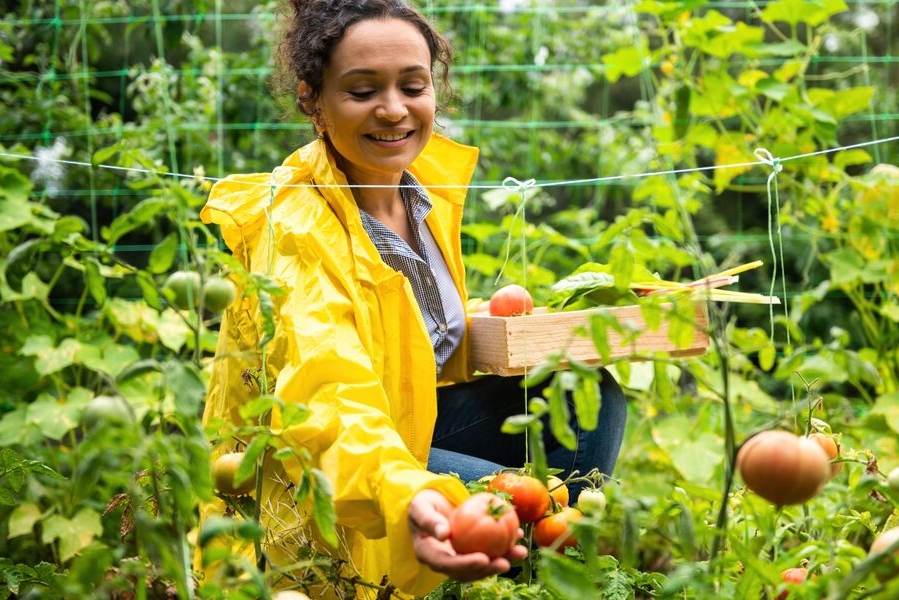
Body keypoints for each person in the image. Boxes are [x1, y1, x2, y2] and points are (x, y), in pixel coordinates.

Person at [198, 0, 627, 596]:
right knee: (522, 508)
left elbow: (400, 329)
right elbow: (327, 389)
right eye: (361, 90)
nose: (394, 109)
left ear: (434, 90)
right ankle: (497, 556)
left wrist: (514, 327)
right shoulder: (297, 227)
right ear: (312, 101)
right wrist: (411, 493)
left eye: (413, 85)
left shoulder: (418, 192)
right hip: (322, 464)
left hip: (408, 425)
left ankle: (521, 565)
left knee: (587, 391)